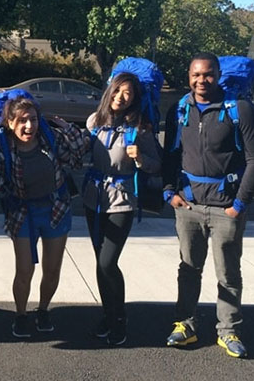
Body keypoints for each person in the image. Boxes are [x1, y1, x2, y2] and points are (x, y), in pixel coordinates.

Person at [0, 96, 87, 338]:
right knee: (24, 269)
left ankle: (44, 309)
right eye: (22, 121)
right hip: (22, 212)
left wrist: (69, 130)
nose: (29, 126)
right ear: (10, 123)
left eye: (33, 119)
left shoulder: (50, 138)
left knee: (52, 269)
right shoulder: (3, 147)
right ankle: (21, 314)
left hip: (56, 209)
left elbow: (78, 157)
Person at [161, 52, 254, 358]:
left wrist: (240, 203)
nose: (201, 81)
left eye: (207, 74)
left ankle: (228, 330)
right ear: (188, 76)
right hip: (189, 206)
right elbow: (170, 155)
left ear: (218, 75)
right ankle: (185, 324)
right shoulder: (179, 110)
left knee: (228, 273)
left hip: (226, 208)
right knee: (188, 269)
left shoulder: (240, 110)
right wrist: (170, 192)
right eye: (195, 75)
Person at [83, 72, 162, 346]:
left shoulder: (140, 128)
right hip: (92, 200)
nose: (119, 97)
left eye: (126, 93)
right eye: (117, 91)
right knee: (100, 264)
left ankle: (119, 318)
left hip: (121, 201)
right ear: (109, 91)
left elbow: (156, 164)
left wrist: (140, 158)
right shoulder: (95, 121)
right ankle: (108, 315)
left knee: (108, 262)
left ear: (134, 98)